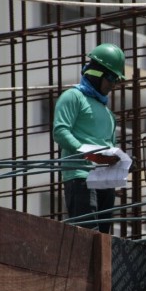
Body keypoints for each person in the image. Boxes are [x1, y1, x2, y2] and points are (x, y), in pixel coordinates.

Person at [53, 43, 126, 234]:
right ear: (95, 73)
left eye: (116, 80)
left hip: (104, 179)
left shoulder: (107, 112)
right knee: (87, 236)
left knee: (102, 238)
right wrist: (88, 154)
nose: (113, 84)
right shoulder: (73, 97)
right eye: (110, 78)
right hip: (81, 177)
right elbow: (60, 131)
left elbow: (109, 147)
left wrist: (119, 160)